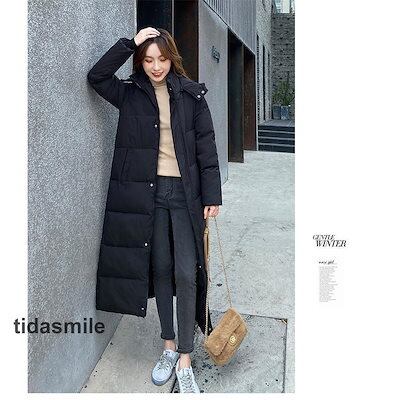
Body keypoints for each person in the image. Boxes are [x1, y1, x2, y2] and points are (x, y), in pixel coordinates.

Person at [87, 27, 222, 393]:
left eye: (161, 59)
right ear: (140, 62)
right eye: (148, 60)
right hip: (149, 194)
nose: (156, 66)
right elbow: (97, 77)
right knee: (161, 269)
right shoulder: (130, 93)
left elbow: (206, 148)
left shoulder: (191, 96)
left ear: (171, 58)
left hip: (185, 195)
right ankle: (168, 345)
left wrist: (212, 195)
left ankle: (185, 358)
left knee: (186, 274)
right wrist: (129, 43)